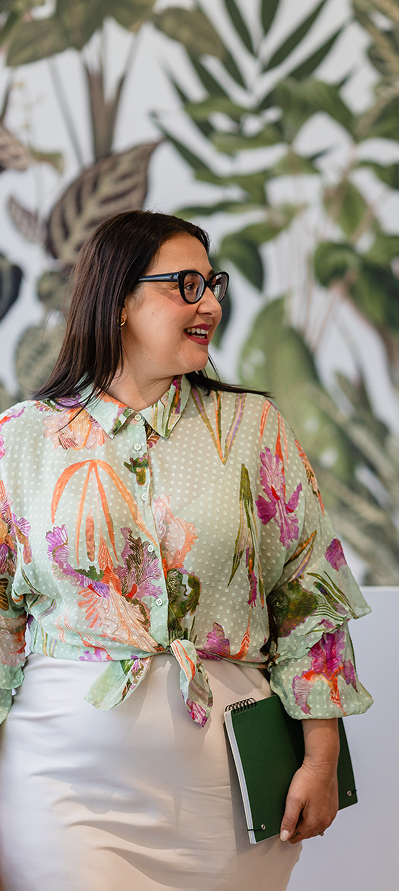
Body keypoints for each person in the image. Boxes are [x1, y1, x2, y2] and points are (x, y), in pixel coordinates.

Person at [0, 210, 372, 891]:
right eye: (187, 285)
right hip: (60, 784)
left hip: (226, 796)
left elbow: (308, 599)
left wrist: (320, 761)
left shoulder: (253, 426)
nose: (213, 303)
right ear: (118, 301)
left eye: (213, 283)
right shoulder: (19, 440)